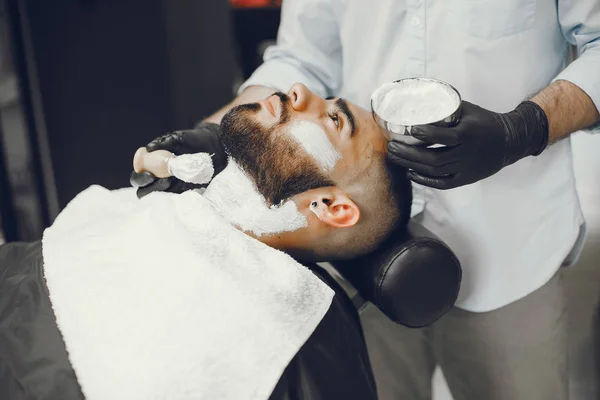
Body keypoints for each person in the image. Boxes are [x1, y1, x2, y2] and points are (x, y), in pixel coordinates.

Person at [133, 2, 600, 399]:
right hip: (353, 257)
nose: (300, 98)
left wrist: (523, 129)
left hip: (511, 250)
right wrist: (221, 135)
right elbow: (301, 61)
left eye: (335, 114)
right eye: (334, 113)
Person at [0, 85, 411, 400]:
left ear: (330, 207)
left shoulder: (295, 338)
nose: (300, 91)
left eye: (334, 121)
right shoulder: (184, 196)